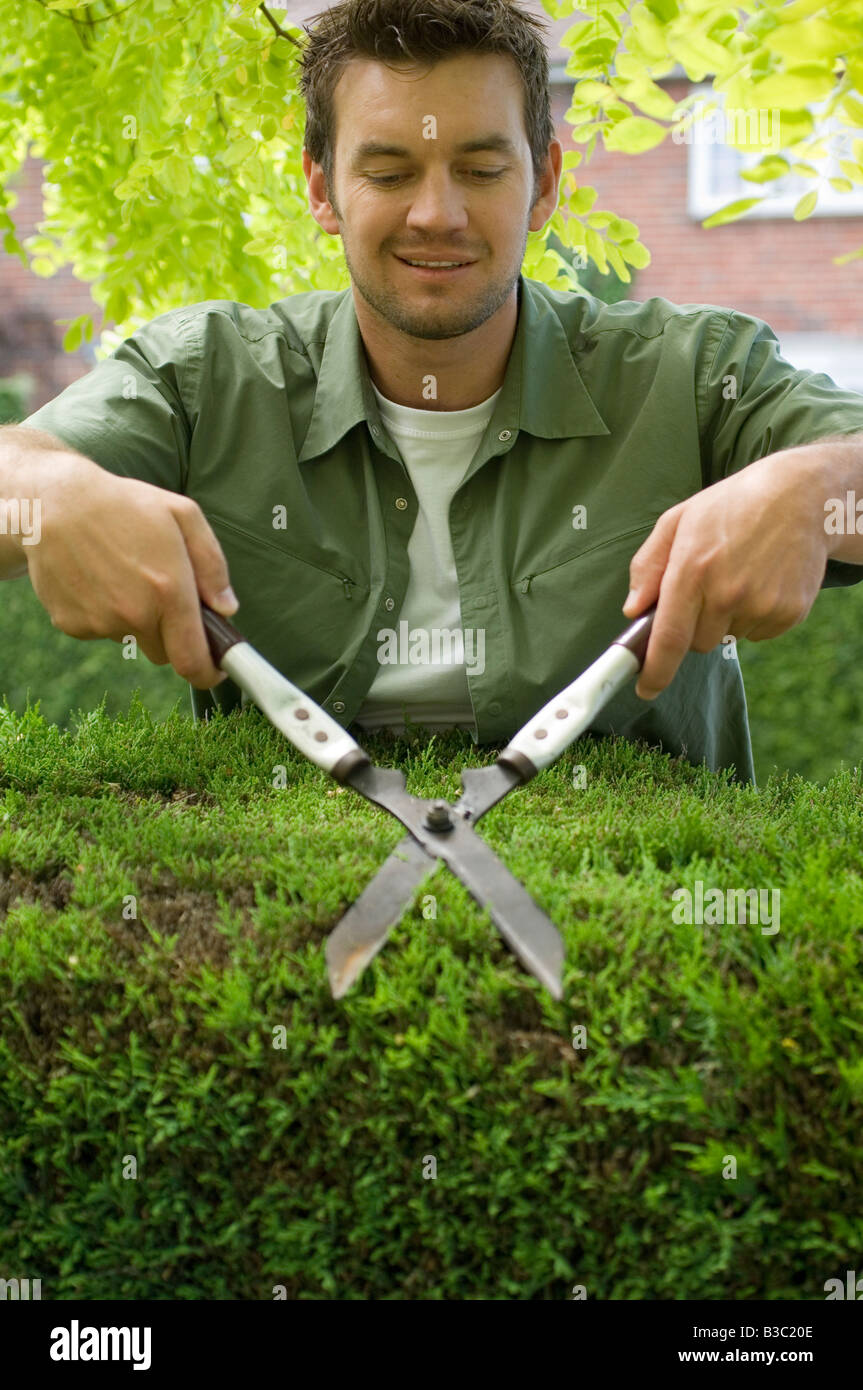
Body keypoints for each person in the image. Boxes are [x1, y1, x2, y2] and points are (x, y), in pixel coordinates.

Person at [2, 0, 862, 786]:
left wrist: (812, 489)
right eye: (388, 171)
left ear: (546, 183)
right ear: (321, 189)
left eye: (482, 169)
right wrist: (52, 493)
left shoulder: (690, 370)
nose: (436, 214)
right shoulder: (205, 374)